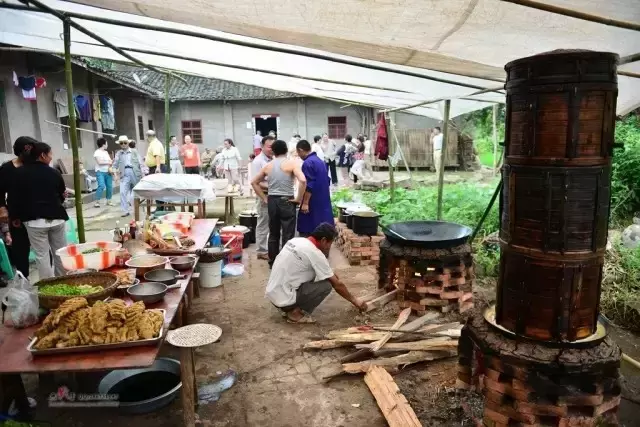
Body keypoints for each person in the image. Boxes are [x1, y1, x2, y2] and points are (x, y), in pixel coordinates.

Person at [265, 223, 365, 323]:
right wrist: (355, 301)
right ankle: (294, 313)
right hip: (285, 298)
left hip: (273, 292)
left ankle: (287, 306)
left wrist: (331, 274)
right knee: (327, 285)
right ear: (323, 240)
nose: (328, 248)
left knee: (326, 276)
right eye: (330, 244)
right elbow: (337, 285)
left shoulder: (296, 240)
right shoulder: (315, 253)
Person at [11, 142, 68, 279]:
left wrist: (15, 217)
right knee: (60, 253)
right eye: (50, 155)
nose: (50, 158)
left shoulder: (19, 173)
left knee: (42, 256)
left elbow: (14, 198)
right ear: (42, 155)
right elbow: (61, 195)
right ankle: (64, 282)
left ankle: (49, 289)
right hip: (57, 218)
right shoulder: (54, 173)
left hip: (34, 222)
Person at [251, 139, 307, 264]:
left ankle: (273, 261)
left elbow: (254, 182)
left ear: (273, 152)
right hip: (286, 200)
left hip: (272, 201)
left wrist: (265, 198)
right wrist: (298, 198)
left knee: (273, 232)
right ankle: (287, 262)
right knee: (288, 233)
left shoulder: (268, 166)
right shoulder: (292, 164)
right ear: (286, 150)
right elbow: (303, 180)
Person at [0, 136, 37, 277]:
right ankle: (24, 281)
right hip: (17, 215)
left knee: (43, 250)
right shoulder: (7, 169)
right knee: (21, 250)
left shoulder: (35, 166)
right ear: (19, 152)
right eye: (27, 150)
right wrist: (2, 207)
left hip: (36, 213)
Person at [296, 140, 334, 237]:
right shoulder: (320, 161)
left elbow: (309, 184)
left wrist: (305, 203)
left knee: (307, 229)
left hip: (313, 201)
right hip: (323, 199)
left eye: (298, 153)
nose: (299, 155)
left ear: (301, 150)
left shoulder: (308, 163)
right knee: (322, 230)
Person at [251, 136, 274, 260]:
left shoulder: (273, 159)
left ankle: (268, 248)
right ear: (262, 146)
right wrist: (272, 187)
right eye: (269, 146)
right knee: (263, 223)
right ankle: (261, 251)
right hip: (263, 196)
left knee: (272, 223)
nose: (272, 149)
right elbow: (256, 182)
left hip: (273, 195)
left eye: (273, 146)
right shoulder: (258, 161)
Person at [112, 135, 145, 217]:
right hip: (124, 173)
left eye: (125, 143)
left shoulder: (134, 151)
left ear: (128, 143)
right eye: (121, 143)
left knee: (135, 192)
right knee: (122, 192)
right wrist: (115, 175)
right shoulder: (118, 153)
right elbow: (114, 165)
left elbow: (141, 163)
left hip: (134, 172)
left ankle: (135, 209)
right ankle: (125, 211)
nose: (123, 144)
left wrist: (143, 174)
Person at [93, 137, 113, 208]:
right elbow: (99, 162)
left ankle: (109, 201)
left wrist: (110, 163)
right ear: (103, 144)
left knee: (109, 186)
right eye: (106, 143)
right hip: (100, 172)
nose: (107, 145)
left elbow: (110, 161)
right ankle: (97, 201)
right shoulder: (97, 152)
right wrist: (108, 162)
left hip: (108, 171)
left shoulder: (106, 152)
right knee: (101, 185)